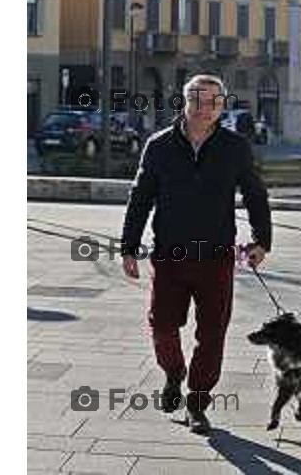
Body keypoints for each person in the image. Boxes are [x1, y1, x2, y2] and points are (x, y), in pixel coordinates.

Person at [121, 73, 272, 434]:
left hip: (216, 256)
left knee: (212, 332)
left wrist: (261, 241)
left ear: (223, 106)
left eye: (214, 103)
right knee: (162, 325)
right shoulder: (158, 146)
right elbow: (140, 197)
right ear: (184, 102)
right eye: (199, 101)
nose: (206, 110)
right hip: (170, 255)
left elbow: (254, 195)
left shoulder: (234, 147)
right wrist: (129, 246)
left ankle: (197, 402)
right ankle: (174, 372)